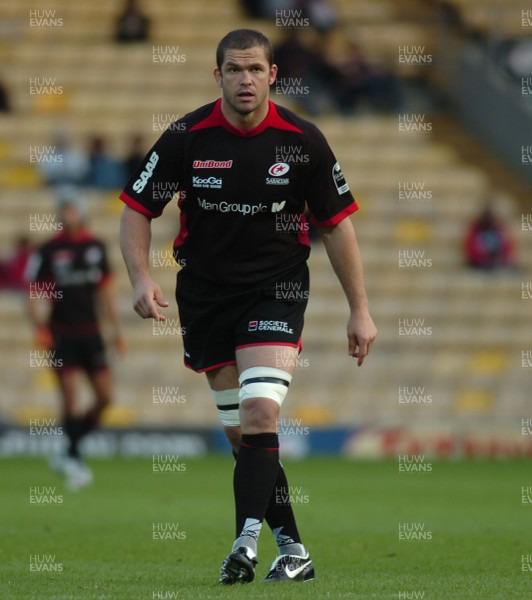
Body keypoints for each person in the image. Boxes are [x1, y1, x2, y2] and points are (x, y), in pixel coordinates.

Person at [119, 28, 376, 584]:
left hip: (276, 290)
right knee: (243, 437)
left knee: (261, 414)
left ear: (272, 75)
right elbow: (138, 208)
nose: (245, 79)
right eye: (234, 70)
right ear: (218, 76)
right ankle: (295, 550)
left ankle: (245, 544)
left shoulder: (302, 141)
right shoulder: (186, 136)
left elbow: (336, 224)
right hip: (205, 296)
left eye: (255, 70)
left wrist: (360, 308)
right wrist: (141, 279)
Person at [26, 192, 125, 489]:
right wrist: (40, 328)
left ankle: (69, 450)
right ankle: (73, 458)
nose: (68, 215)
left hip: (92, 333)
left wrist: (116, 331)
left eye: (72, 210)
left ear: (80, 213)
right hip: (61, 333)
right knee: (70, 396)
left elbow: (106, 293)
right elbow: (33, 293)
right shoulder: (49, 250)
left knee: (105, 397)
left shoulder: (95, 247)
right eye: (64, 210)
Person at [464, 205, 516, 270]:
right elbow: (471, 249)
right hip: (480, 264)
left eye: (490, 218)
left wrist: (499, 257)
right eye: (486, 218)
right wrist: (484, 258)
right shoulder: (475, 231)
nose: (488, 220)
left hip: (498, 262)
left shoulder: (499, 231)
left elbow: (507, 246)